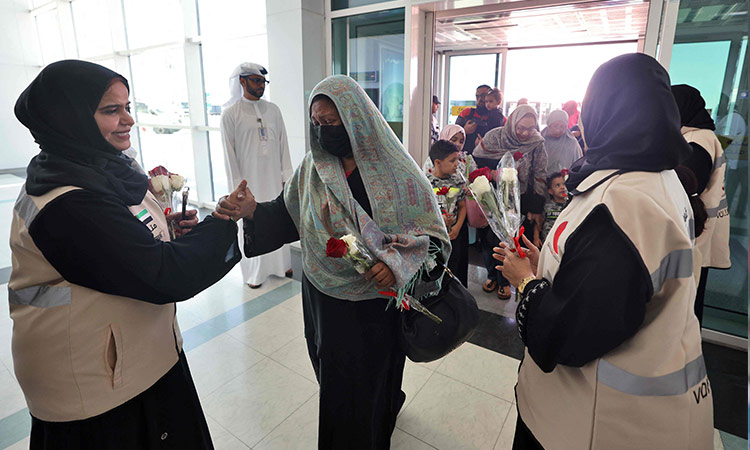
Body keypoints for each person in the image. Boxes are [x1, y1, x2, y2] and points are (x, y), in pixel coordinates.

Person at [10, 60, 241, 449]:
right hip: (96, 383)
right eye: (111, 110)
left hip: (131, 354)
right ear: (70, 119)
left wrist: (171, 233)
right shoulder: (68, 202)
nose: (129, 120)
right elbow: (163, 274)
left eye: (127, 106)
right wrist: (221, 223)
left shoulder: (94, 169)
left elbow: (125, 246)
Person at [214, 75, 450, 449]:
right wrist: (252, 209)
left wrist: (397, 263)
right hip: (324, 294)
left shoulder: (396, 169)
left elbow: (431, 235)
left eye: (331, 122)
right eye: (317, 123)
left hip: (375, 302)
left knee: (371, 378)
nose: (323, 131)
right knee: (334, 371)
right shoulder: (315, 166)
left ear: (355, 119)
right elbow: (289, 211)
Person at [494, 53, 713, 450]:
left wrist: (525, 281)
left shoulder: (622, 200)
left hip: (595, 421)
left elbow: (571, 333)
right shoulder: (661, 180)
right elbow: (615, 276)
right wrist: (549, 257)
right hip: (652, 405)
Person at [221, 62, 293, 288]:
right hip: (247, 181)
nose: (261, 85)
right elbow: (228, 153)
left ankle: (281, 266)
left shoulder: (273, 110)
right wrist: (236, 187)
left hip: (273, 178)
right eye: (256, 81)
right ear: (242, 81)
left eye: (263, 81)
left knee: (278, 216)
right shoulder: (230, 114)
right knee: (252, 221)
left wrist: (287, 175)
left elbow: (283, 144)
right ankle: (255, 274)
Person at [671, 84, 731, 325]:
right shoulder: (695, 136)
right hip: (698, 230)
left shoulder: (698, 140)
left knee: (687, 304)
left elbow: (687, 182)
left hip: (696, 231)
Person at [474, 105, 548, 299]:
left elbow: (539, 173)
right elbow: (477, 163)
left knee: (513, 241)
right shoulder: (495, 137)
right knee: (489, 239)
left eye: (530, 128)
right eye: (520, 128)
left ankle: (506, 280)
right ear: (512, 122)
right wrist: (492, 175)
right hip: (490, 198)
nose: (525, 133)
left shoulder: (536, 142)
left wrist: (534, 207)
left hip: (520, 200)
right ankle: (492, 275)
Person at [427, 139, 469, 286]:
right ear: (437, 162)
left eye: (457, 159)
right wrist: (437, 220)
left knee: (453, 267)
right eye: (452, 161)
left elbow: (462, 206)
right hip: (434, 237)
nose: (457, 164)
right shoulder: (426, 183)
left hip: (453, 235)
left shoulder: (457, 181)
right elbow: (423, 212)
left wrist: (457, 227)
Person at [541, 109, 582, 175]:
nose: (558, 130)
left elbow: (577, 167)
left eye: (562, 126)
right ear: (549, 124)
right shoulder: (540, 141)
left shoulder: (572, 143)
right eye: (555, 125)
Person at [456, 84, 492, 154]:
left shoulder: (499, 118)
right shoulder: (466, 113)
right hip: (466, 157)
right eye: (477, 96)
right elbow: (453, 136)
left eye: (483, 96)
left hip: (488, 159)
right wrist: (464, 131)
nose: (479, 100)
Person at [540, 172, 567, 243]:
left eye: (563, 184)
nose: (562, 187)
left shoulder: (570, 204)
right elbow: (539, 223)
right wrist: (536, 238)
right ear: (550, 191)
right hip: (548, 241)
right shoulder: (547, 206)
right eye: (557, 185)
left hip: (563, 240)